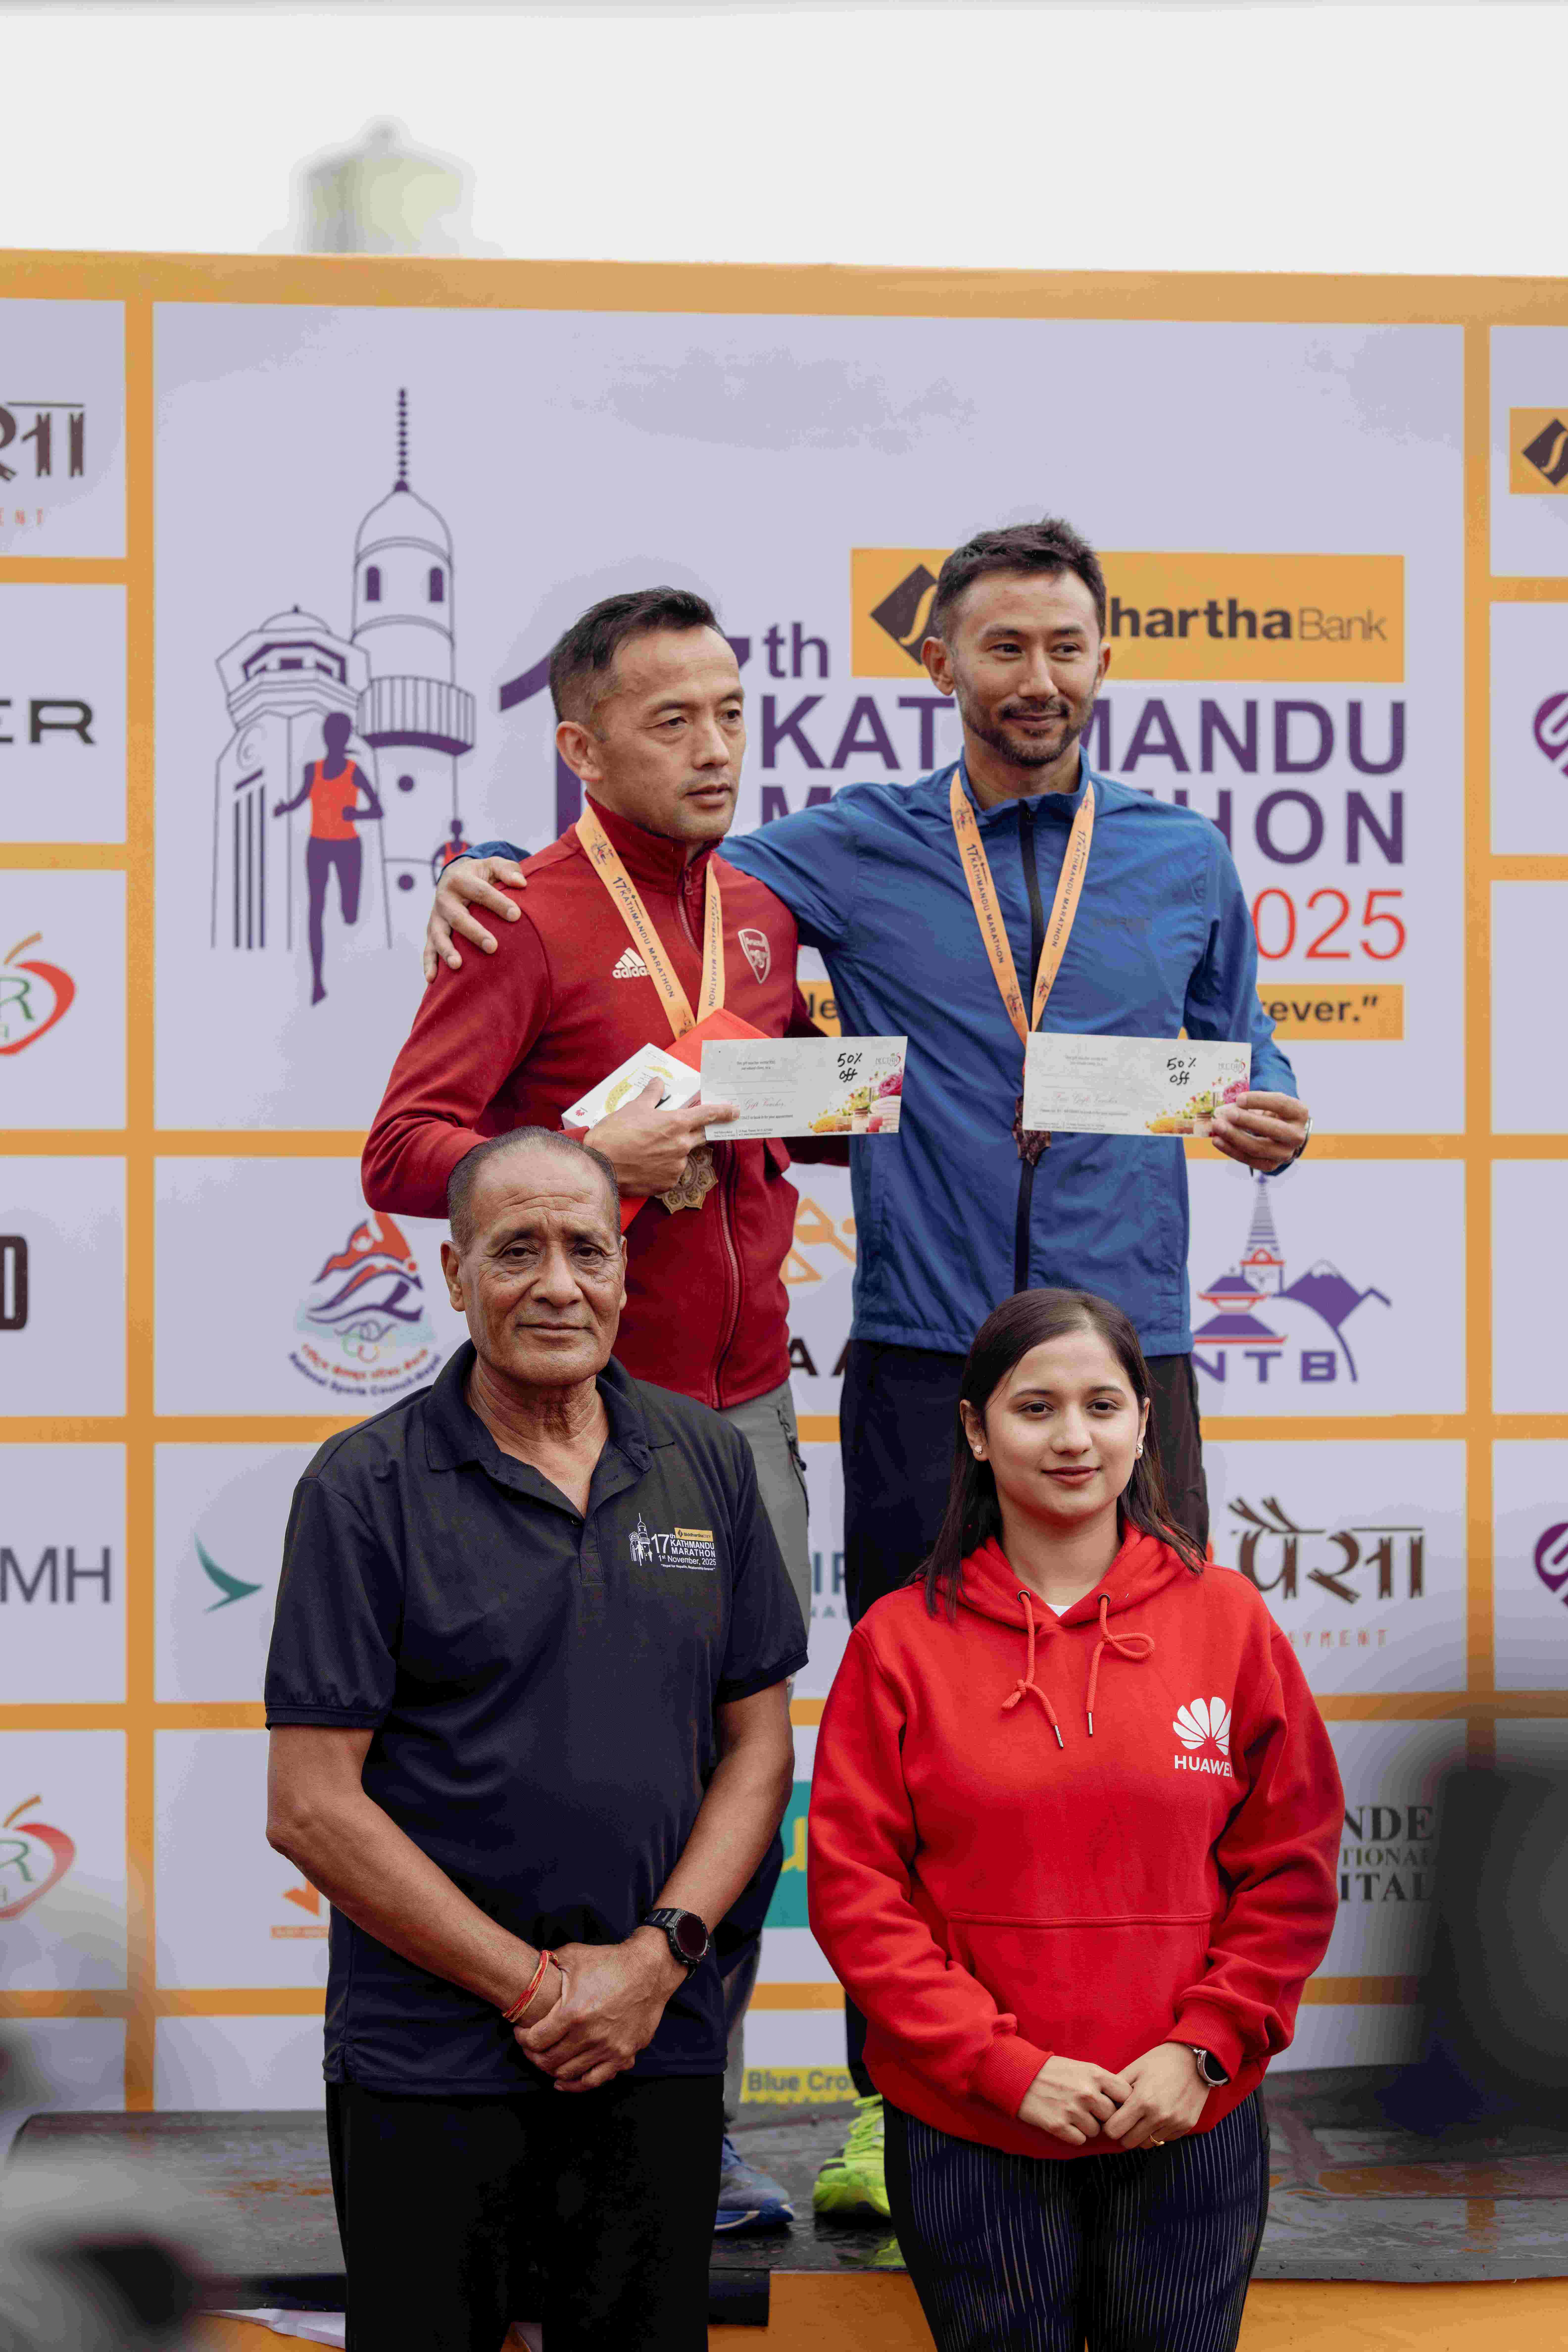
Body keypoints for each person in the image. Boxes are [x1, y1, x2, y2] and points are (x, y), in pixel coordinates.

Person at [421, 514, 1314, 2221]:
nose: (1036, 679)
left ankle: (1172, 2078)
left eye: (1064, 646)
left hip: (1134, 1360)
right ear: (943, 664)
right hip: (921, 1356)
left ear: (1103, 657)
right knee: (913, 1750)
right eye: (1002, 648)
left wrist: (1267, 1103)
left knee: (1161, 1740)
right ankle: (890, 2103)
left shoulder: (1184, 858)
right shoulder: (843, 849)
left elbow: (1242, 1053)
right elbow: (643, 866)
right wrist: (473, 863)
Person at [361, 586, 839, 2230]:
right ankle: (546, 2090)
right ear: (576, 745)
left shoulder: (769, 918)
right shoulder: (517, 913)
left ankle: (685, 2126)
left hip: (749, 1413)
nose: (711, 748)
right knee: (583, 1775)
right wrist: (580, 1153)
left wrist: (835, 1089)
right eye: (667, 720)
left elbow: (783, 1119)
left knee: (739, 1772)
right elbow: (402, 1147)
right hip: (575, 1428)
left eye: (726, 712)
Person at [264, 1128, 806, 2351]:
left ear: (626, 1271)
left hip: (649, 2045)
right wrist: (535, 1987)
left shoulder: (707, 1461)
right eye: (516, 1251)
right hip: (432, 2057)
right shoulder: (363, 1487)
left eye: (587, 1249)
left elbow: (759, 1751)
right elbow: (310, 1803)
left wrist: (653, 1965)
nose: (557, 1283)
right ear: (453, 1275)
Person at [806, 1286, 1341, 2352]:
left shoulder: (1226, 1619)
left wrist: (1202, 2050)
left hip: (1189, 2115)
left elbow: (1290, 1865)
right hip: (973, 2127)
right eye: (1034, 1407)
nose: (1072, 1438)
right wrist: (1000, 2067)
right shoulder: (897, 1641)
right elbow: (858, 1893)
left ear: (1146, 1420)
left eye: (1102, 1405)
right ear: (974, 1428)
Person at [272, 709, 384, 1006]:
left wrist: (356, 813)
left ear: (346, 737)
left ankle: (350, 909)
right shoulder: (313, 770)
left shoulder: (354, 770)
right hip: (319, 846)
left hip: (349, 847)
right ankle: (318, 981)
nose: (336, 739)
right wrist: (285, 808)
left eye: (341, 735)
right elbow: (300, 798)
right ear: (326, 737)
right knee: (316, 909)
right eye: (332, 734)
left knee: (349, 914)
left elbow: (378, 810)